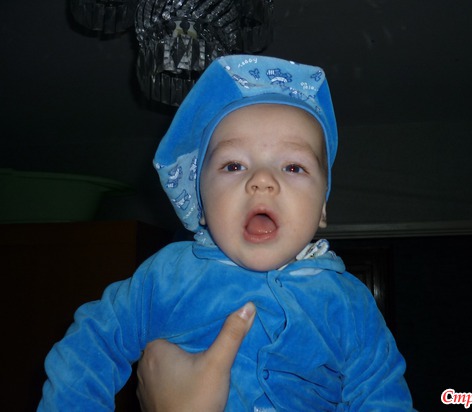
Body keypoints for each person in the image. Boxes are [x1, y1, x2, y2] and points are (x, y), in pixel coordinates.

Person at [38, 54, 414, 411]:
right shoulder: (167, 276)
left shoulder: (349, 302)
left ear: (323, 209)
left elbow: (382, 395)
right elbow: (91, 344)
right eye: (234, 165)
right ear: (201, 206)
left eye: (294, 167)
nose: (262, 180)